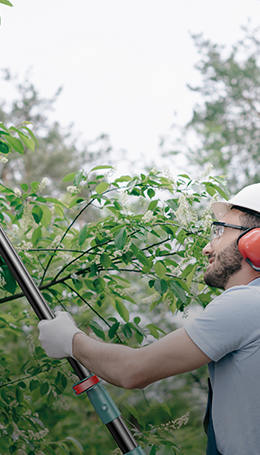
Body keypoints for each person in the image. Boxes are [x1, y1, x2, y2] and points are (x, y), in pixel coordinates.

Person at [38, 183, 260, 455]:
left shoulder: (247, 303)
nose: (207, 248)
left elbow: (133, 370)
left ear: (255, 241)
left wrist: (70, 340)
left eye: (219, 232)